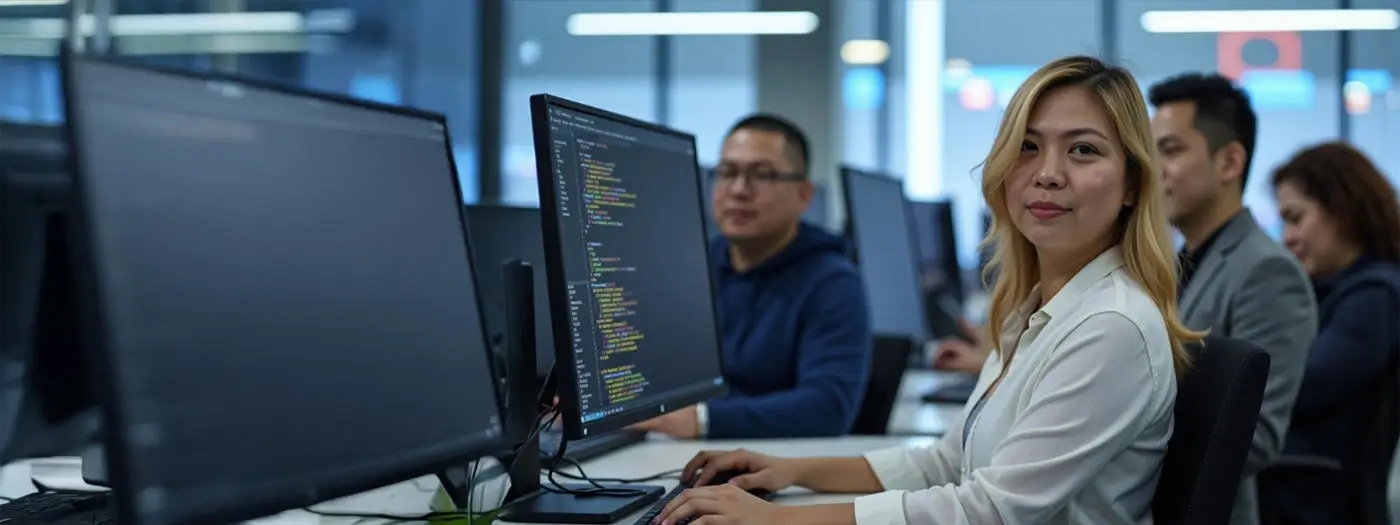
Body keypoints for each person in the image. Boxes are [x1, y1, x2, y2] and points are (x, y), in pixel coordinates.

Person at [653, 55, 1201, 525]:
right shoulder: (1040, 310)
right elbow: (945, 462)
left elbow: (988, 510)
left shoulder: (1111, 326)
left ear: (1133, 183)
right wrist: (792, 471)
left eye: (1082, 150)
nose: (1048, 173)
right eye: (1028, 147)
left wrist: (779, 519)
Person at [628, 114, 872, 439]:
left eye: (763, 175)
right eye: (727, 172)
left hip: (769, 467)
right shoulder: (692, 267)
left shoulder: (833, 282)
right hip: (670, 454)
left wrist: (702, 420)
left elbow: (828, 408)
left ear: (804, 194)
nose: (739, 190)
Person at [1148, 73, 1316, 525]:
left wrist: (1122, 435)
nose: (1152, 168)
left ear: (1229, 162)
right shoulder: (1176, 263)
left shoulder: (1267, 272)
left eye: (1171, 150)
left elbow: (1253, 438)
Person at [1261, 142, 1400, 525]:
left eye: (1295, 217)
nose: (1287, 237)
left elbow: (1302, 385)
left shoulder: (1378, 296)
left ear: (1342, 209)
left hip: (1316, 497)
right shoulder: (1332, 292)